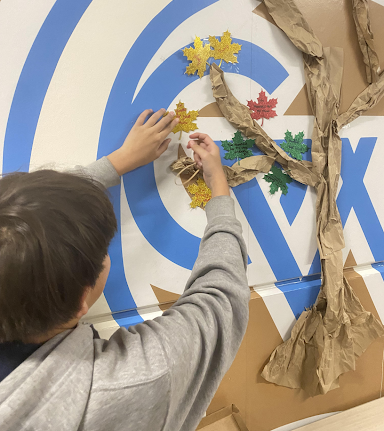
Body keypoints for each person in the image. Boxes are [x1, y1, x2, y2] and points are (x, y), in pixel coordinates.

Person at [0, 108, 250, 431]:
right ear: (81, 302)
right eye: (103, 250)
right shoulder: (132, 382)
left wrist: (118, 161)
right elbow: (220, 302)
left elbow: (21, 220)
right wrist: (219, 188)